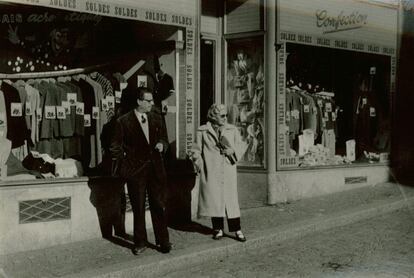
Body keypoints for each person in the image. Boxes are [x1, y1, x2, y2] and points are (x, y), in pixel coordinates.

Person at [110, 87, 171, 254]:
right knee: (138, 208)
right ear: (139, 101)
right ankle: (140, 242)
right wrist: (126, 167)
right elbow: (115, 147)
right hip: (135, 172)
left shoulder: (157, 118)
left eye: (152, 101)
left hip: (155, 169)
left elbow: (164, 139)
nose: (152, 104)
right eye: (148, 101)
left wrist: (162, 145)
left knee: (158, 205)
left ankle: (163, 241)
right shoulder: (123, 121)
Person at [189, 104, 246, 242]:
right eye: (222, 116)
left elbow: (241, 145)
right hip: (212, 169)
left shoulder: (232, 130)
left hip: (227, 169)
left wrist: (233, 151)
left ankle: (237, 230)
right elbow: (196, 148)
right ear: (213, 116)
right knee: (215, 200)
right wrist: (196, 157)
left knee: (231, 201)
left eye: (226, 115)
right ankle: (218, 229)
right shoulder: (203, 131)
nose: (225, 118)